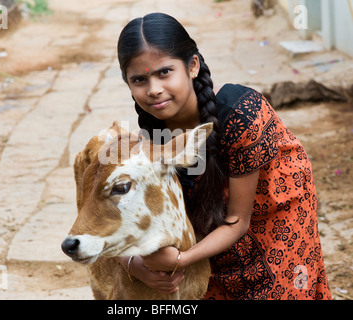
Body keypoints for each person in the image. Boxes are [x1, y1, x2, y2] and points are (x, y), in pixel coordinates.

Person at [115, 12, 331, 300]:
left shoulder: (242, 114)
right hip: (213, 232)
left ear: (192, 65)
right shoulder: (151, 144)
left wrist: (181, 259)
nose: (154, 89)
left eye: (164, 72)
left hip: (274, 216)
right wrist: (135, 263)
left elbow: (238, 221)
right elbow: (113, 219)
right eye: (140, 79)